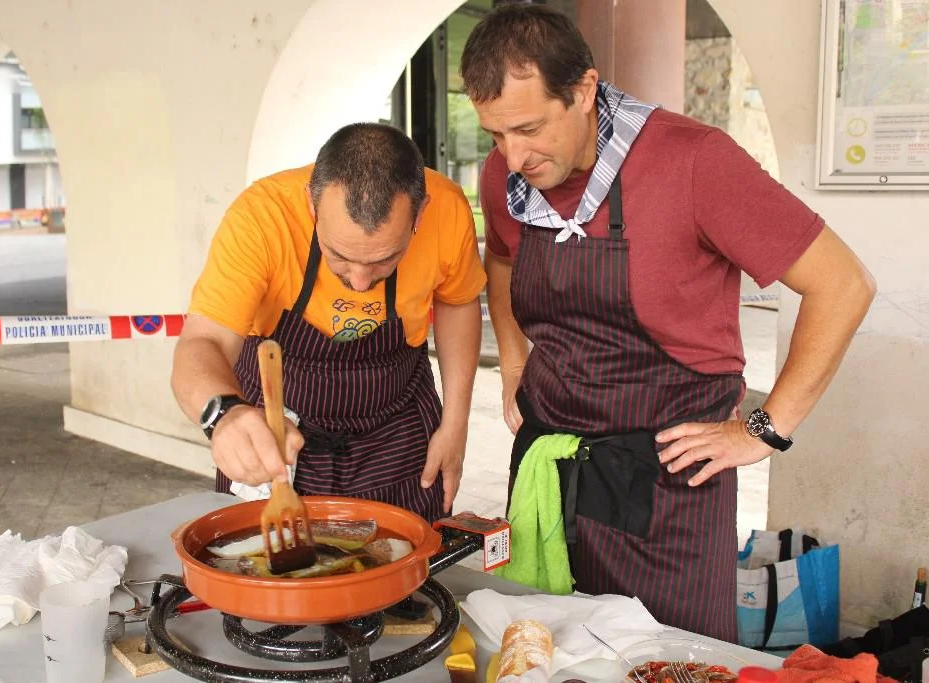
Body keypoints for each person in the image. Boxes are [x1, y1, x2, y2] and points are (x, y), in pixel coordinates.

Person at [460, 4, 875, 640]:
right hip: (552, 468)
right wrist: (514, 363)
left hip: (668, 487)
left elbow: (843, 284)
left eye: (528, 128)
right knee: (549, 649)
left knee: (672, 659)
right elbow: (502, 258)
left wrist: (763, 430)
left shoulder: (694, 162)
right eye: (495, 135)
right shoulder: (507, 177)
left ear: (584, 90)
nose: (512, 157)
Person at [171, 122, 486, 523]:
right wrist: (225, 415)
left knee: (412, 556)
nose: (360, 281)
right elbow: (203, 342)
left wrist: (455, 424)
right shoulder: (262, 217)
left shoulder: (447, 209)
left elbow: (458, 302)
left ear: (419, 214)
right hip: (278, 432)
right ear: (312, 204)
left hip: (397, 432)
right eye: (340, 256)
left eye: (385, 259)